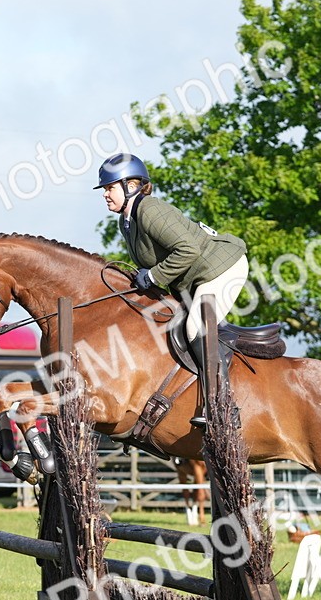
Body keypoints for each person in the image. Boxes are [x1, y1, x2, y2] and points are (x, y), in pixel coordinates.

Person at [95, 153, 250, 426]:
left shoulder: (150, 209)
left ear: (131, 186)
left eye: (109, 188)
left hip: (221, 268)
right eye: (105, 189)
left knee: (195, 328)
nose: (105, 195)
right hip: (193, 278)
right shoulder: (126, 221)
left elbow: (187, 250)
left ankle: (223, 408)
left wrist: (154, 276)